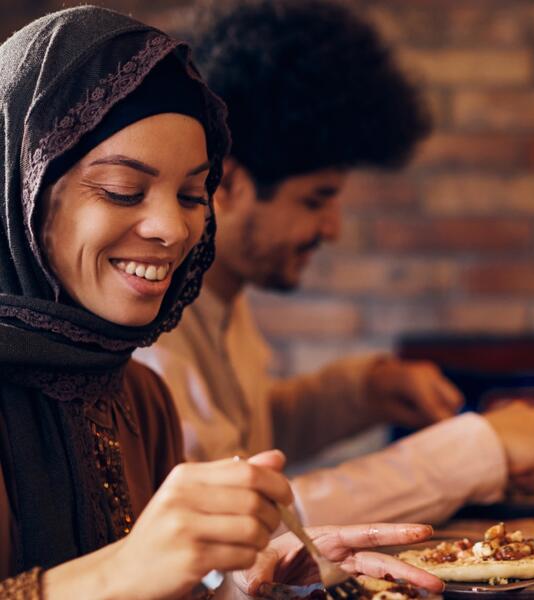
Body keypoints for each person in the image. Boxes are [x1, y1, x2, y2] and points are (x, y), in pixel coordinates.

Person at [0, 6, 444, 598]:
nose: (172, 229)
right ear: (20, 197)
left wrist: (247, 577)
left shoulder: (139, 399)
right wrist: (123, 569)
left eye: (190, 194)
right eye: (123, 191)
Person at [135, 0, 534, 527]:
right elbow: (233, 525)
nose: (332, 228)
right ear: (231, 183)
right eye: (315, 200)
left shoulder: (223, 299)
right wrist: (476, 450)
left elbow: (242, 436)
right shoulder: (149, 325)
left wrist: (364, 391)